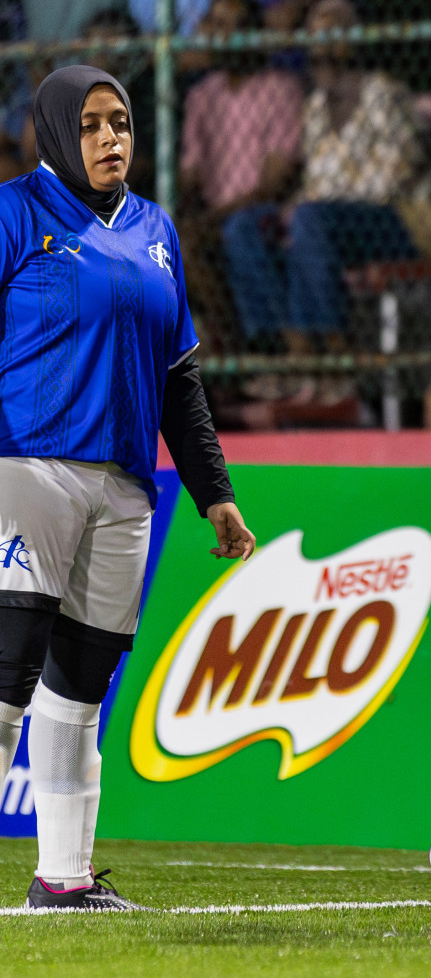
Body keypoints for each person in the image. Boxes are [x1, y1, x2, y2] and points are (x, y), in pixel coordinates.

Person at [0, 65, 255, 910]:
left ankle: (63, 880)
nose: (113, 139)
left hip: (126, 488)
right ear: (54, 131)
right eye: (93, 125)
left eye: (123, 123)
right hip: (25, 468)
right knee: (6, 672)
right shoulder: (12, 213)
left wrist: (213, 489)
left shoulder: (155, 228)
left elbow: (178, 376)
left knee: (80, 683)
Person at [221, 0, 420, 355]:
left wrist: (315, 207)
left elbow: (396, 177)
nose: (320, 46)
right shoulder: (314, 108)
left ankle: (335, 349)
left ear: (352, 41)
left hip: (385, 219)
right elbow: (313, 181)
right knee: (246, 227)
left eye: (331, 33)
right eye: (314, 36)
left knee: (311, 219)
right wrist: (294, 211)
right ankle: (291, 348)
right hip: (322, 219)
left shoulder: (382, 94)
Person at [177, 0, 305, 348]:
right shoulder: (202, 95)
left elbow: (273, 186)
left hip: (265, 214)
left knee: (219, 235)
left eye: (235, 25)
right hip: (216, 215)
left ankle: (245, 348)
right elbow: (190, 176)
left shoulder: (280, 88)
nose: (223, 35)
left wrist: (207, 220)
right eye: (216, 24)